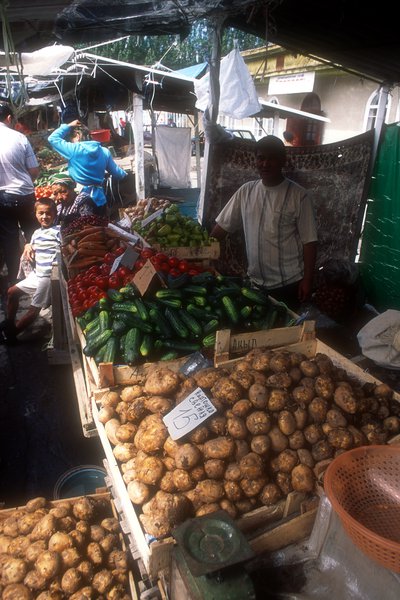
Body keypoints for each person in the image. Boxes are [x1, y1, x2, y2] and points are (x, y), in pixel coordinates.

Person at [211, 135, 318, 311]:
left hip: (289, 284)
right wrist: (203, 252)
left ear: (282, 161)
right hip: (255, 285)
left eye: (272, 158)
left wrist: (307, 280)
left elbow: (310, 242)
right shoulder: (246, 191)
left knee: (286, 333)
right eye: (261, 158)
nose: (265, 164)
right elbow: (222, 227)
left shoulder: (299, 196)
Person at [0, 197, 60, 344]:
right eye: (41, 213)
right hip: (37, 274)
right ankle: (9, 322)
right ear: (36, 214)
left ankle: (11, 335)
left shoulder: (58, 231)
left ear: (54, 214)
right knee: (11, 292)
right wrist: (27, 245)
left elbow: (64, 249)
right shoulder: (36, 233)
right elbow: (31, 246)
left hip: (49, 276)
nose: (44, 217)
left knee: (34, 310)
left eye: (48, 213)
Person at [47, 120, 128, 212]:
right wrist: (124, 172)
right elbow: (119, 174)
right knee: (100, 224)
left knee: (84, 225)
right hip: (100, 198)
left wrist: (68, 125)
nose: (72, 142)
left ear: (77, 136)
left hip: (80, 197)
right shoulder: (104, 151)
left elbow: (52, 138)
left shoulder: (74, 149)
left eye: (72, 139)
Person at [0, 102, 40, 286]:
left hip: (2, 197)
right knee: (33, 234)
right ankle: (38, 274)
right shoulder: (20, 138)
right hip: (24, 194)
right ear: (9, 118)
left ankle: (15, 280)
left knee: (9, 239)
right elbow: (33, 170)